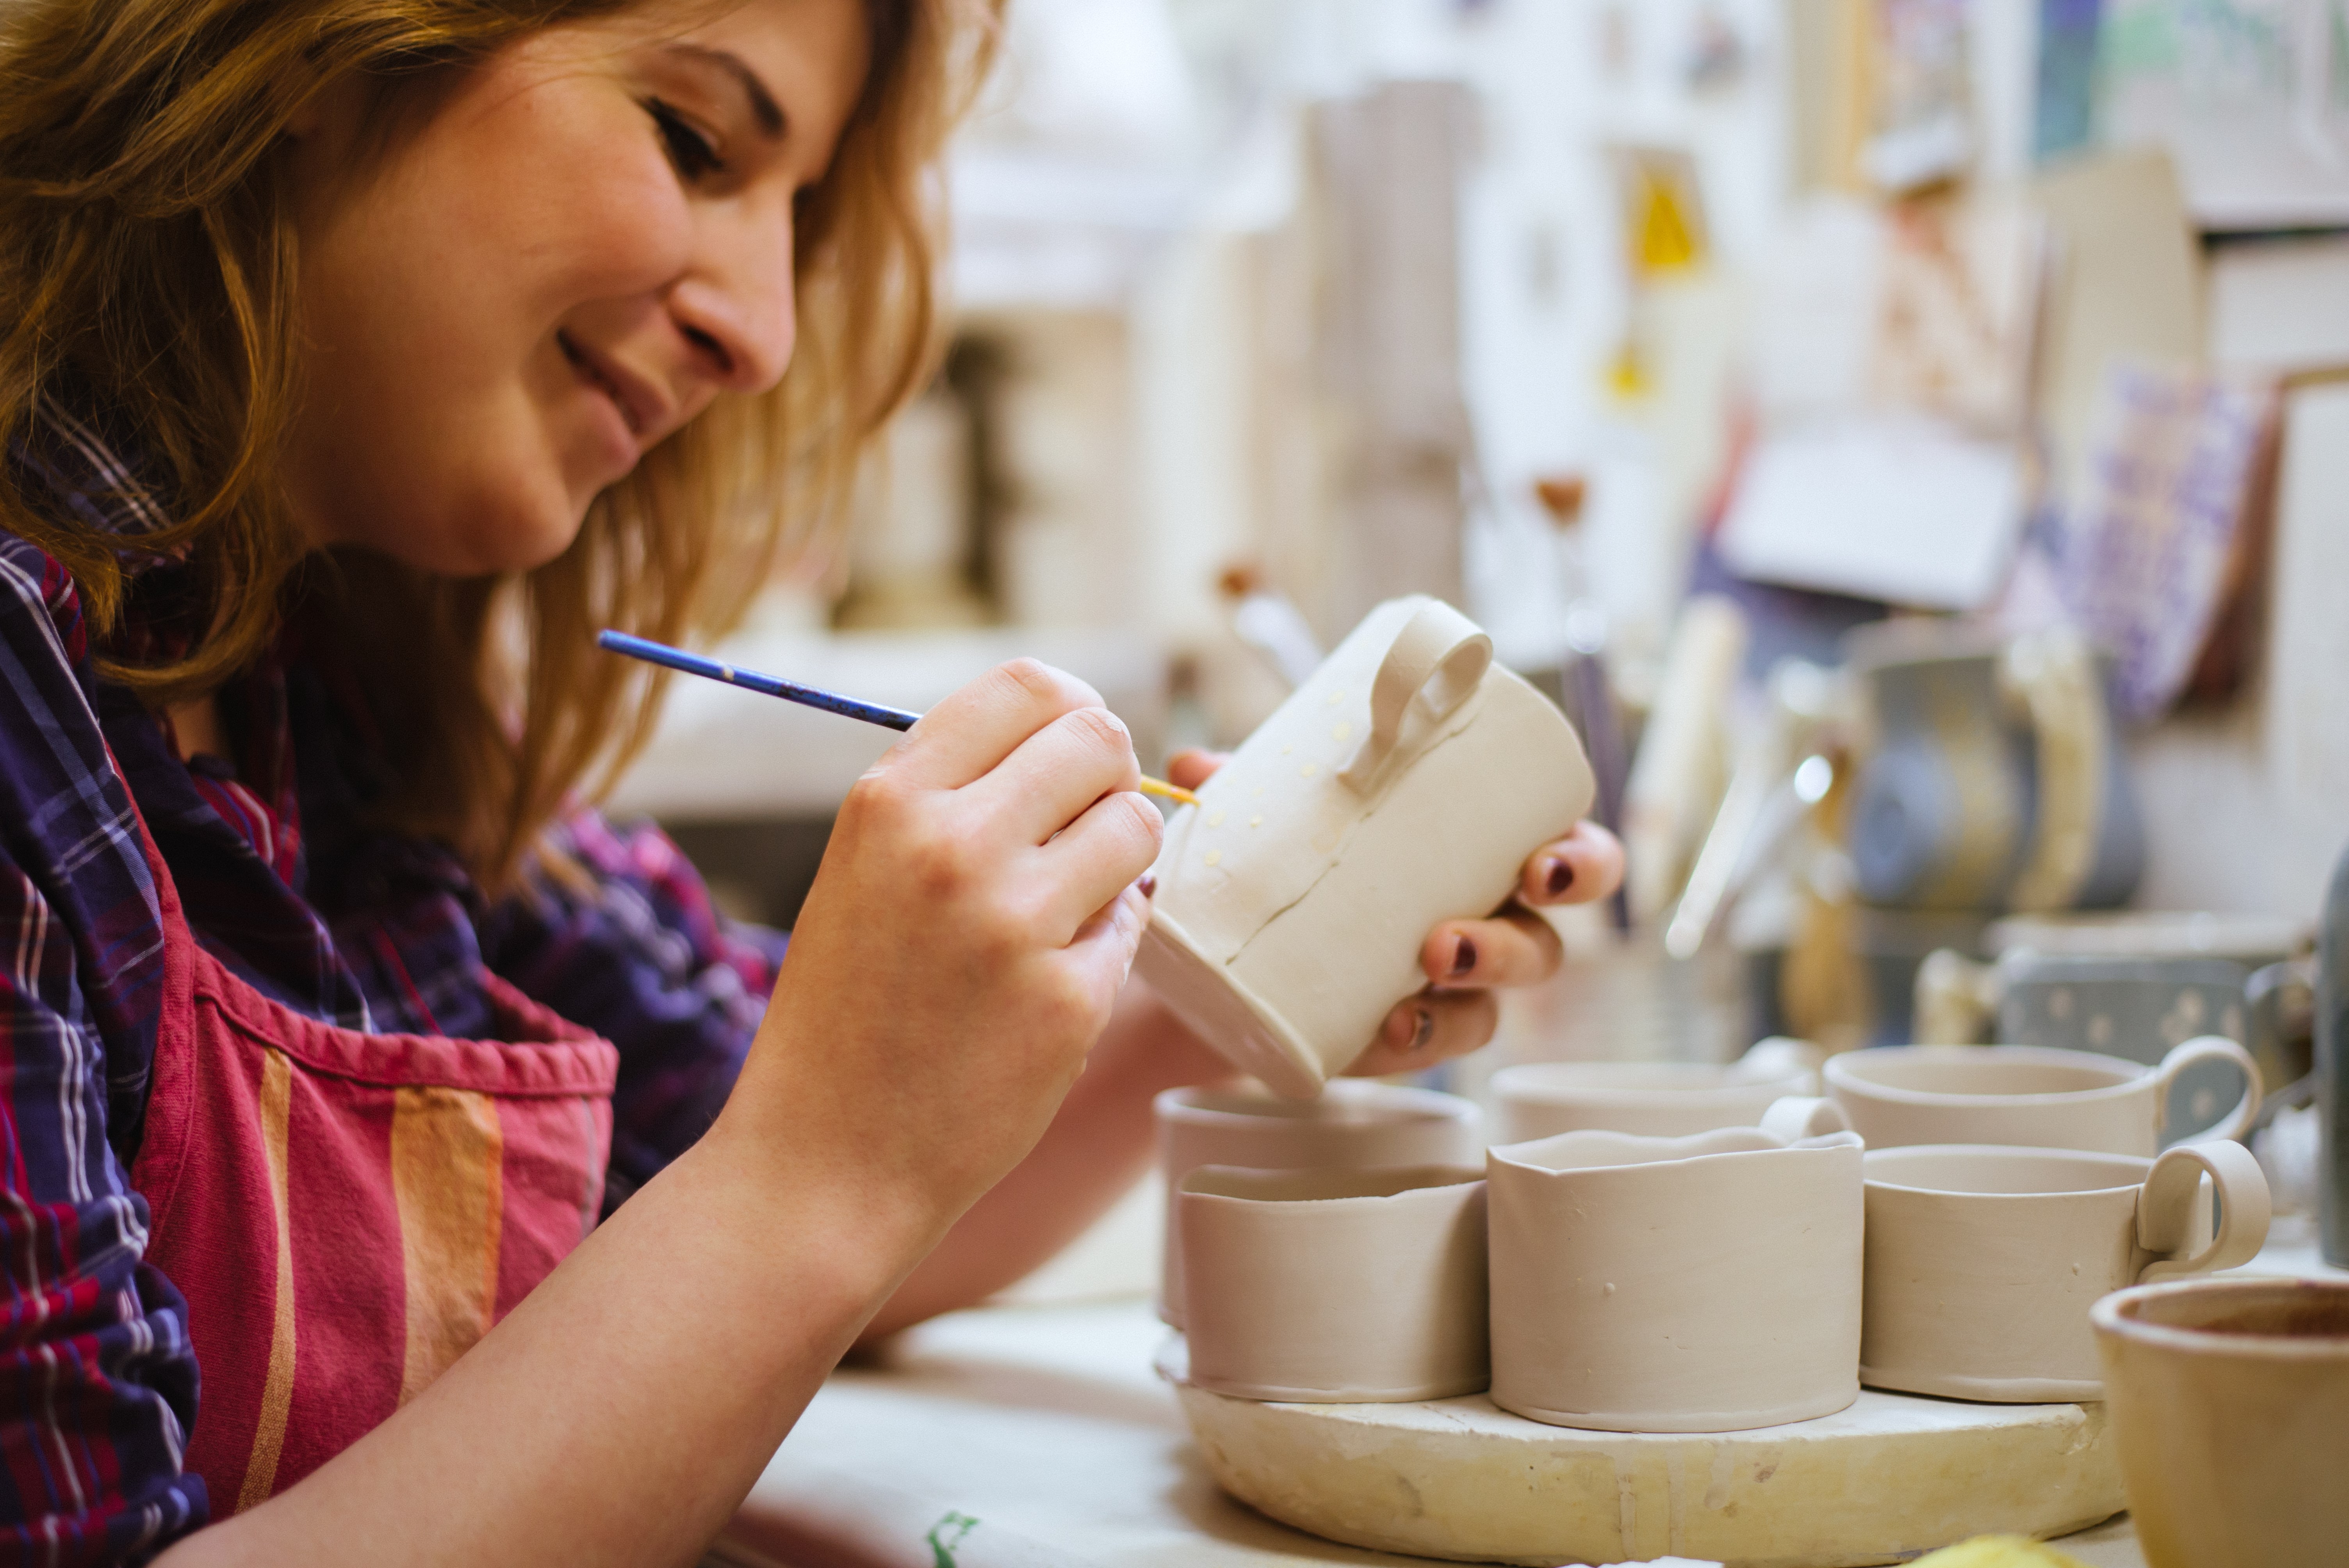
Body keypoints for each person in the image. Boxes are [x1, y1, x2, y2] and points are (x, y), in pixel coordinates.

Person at [0, 0, 1626, 1562]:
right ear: (320, 43)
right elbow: (793, 1184)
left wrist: (1242, 959)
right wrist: (821, 1170)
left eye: (794, 210)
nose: (760, 331)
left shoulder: (335, 696)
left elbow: (770, 1169)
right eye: (697, 139)